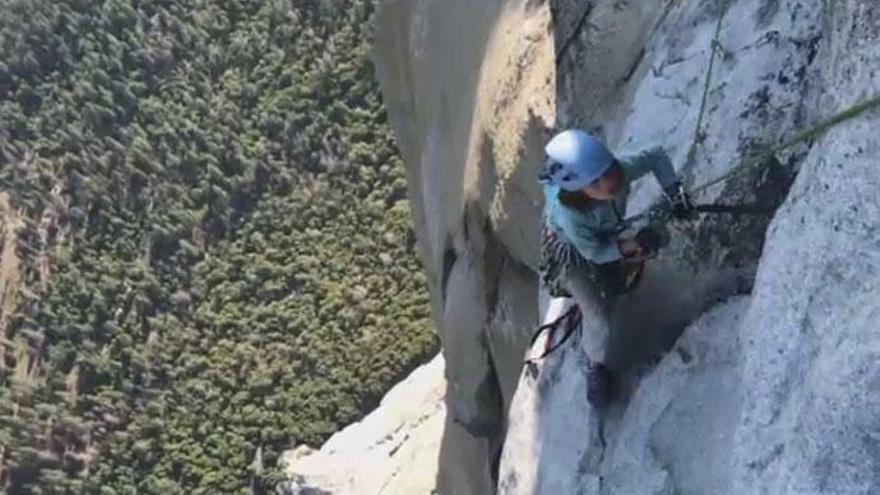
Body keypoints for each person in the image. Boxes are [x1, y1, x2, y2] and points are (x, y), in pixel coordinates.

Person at [537, 129, 691, 408]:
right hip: (571, 253)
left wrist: (674, 193)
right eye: (596, 181)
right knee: (597, 315)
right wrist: (632, 246)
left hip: (603, 233)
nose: (609, 183)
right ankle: (597, 365)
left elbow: (656, 155)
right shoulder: (571, 214)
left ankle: (619, 278)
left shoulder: (616, 172)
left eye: (608, 171)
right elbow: (594, 253)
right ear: (579, 189)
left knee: (644, 252)